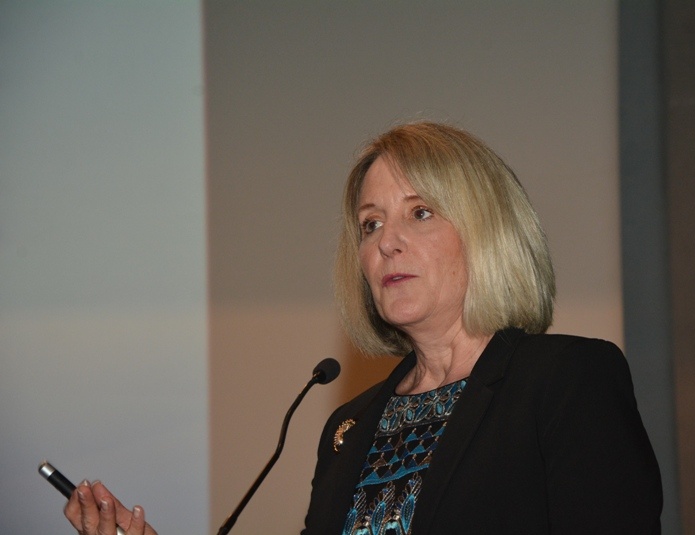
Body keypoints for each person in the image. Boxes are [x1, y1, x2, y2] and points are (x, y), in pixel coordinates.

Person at [64, 122, 662, 535]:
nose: (387, 241)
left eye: (419, 213)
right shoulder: (348, 427)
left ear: (489, 231)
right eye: (370, 224)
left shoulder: (566, 379)